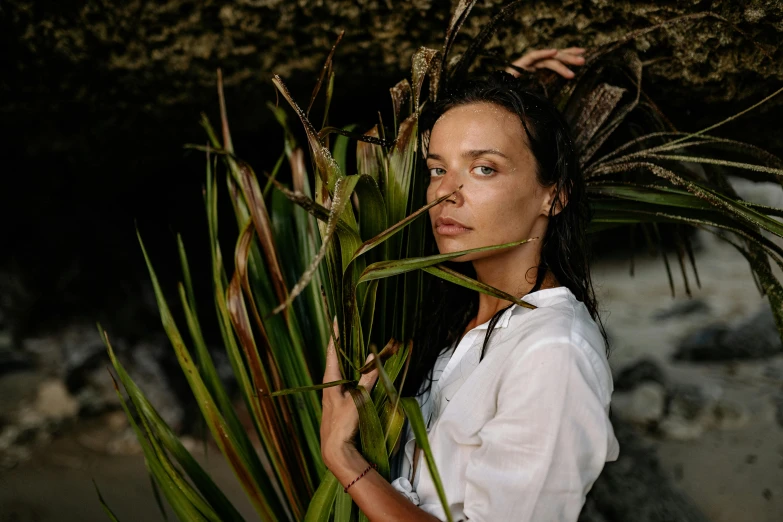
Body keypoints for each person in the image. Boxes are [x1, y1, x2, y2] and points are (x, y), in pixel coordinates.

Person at [319, 47, 619, 521]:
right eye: (438, 169)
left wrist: (343, 458)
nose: (444, 192)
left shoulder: (553, 353)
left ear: (554, 194)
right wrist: (502, 91)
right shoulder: (458, 317)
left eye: (484, 169)